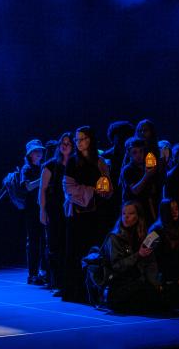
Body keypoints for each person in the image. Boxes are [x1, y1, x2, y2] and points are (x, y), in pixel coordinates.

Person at [63, 126, 112, 302]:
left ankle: (95, 289)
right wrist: (91, 191)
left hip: (96, 213)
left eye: (82, 139)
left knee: (95, 251)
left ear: (90, 140)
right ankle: (77, 292)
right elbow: (68, 188)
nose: (79, 142)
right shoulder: (72, 162)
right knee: (77, 251)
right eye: (77, 139)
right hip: (78, 213)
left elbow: (107, 185)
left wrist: (104, 192)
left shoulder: (100, 162)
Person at [101, 201, 164, 312]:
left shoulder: (142, 236)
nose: (126, 217)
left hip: (136, 283)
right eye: (124, 213)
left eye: (131, 214)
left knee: (161, 297)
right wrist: (138, 255)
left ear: (138, 217)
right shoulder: (115, 238)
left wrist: (155, 284)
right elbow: (117, 266)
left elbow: (150, 262)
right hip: (119, 285)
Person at [39, 133, 74, 296]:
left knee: (69, 245)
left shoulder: (75, 164)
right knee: (54, 246)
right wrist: (42, 210)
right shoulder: (51, 165)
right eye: (62, 143)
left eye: (68, 143)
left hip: (72, 209)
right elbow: (43, 190)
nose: (65, 146)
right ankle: (57, 282)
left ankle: (69, 282)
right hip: (55, 209)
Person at [149, 199, 179, 302]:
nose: (175, 212)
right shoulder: (156, 231)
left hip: (177, 274)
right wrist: (176, 280)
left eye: (176, 209)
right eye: (171, 209)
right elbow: (151, 258)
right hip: (162, 277)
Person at [21, 139, 47, 285]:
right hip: (32, 210)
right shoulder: (27, 169)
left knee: (44, 241)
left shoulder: (43, 167)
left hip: (43, 208)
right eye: (36, 151)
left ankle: (43, 271)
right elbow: (28, 187)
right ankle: (32, 274)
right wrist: (43, 179)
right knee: (33, 241)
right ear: (30, 154)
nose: (39, 153)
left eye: (40, 150)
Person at [119, 137, 159, 225]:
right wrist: (147, 175)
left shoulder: (146, 166)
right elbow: (135, 190)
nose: (139, 155)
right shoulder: (128, 170)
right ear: (129, 153)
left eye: (141, 151)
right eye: (135, 152)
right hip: (133, 209)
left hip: (146, 208)